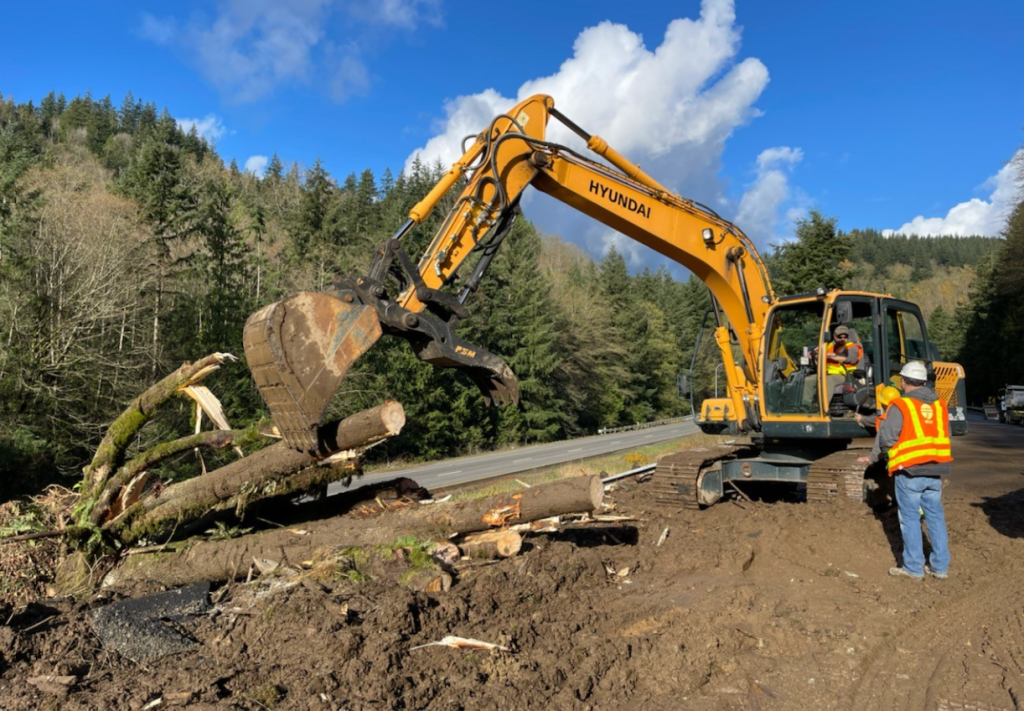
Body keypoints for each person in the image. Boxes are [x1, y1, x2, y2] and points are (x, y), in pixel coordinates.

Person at [857, 361, 952, 580]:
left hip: (909, 471)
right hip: (935, 469)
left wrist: (875, 457)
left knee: (909, 519)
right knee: (936, 517)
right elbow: (944, 433)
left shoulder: (900, 405)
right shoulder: (940, 405)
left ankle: (913, 568)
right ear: (925, 382)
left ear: (903, 381)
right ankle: (940, 568)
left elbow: (888, 438)